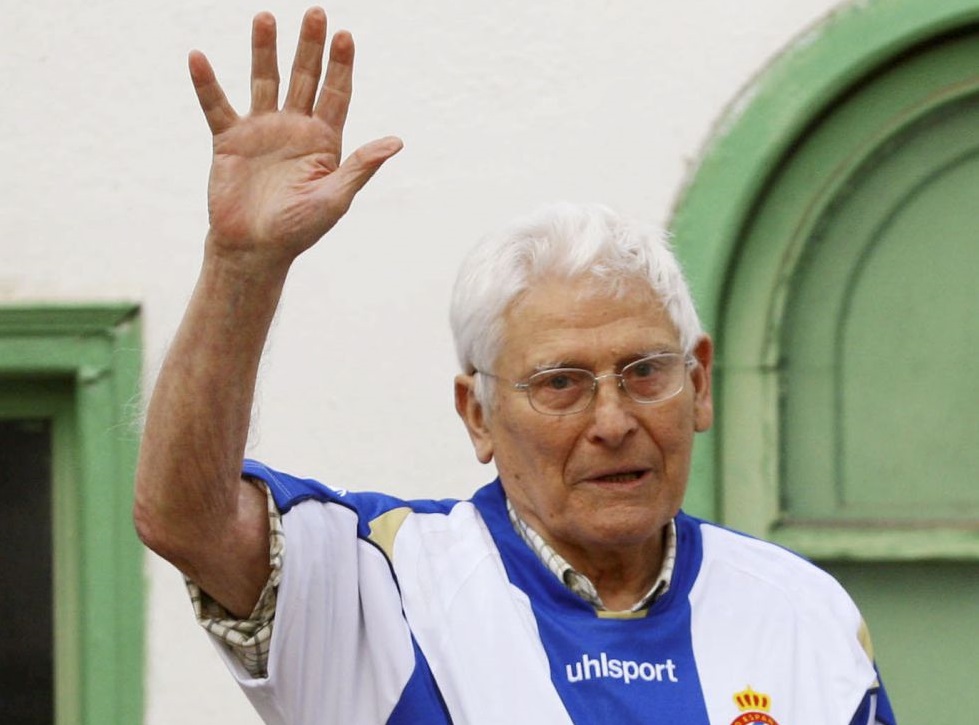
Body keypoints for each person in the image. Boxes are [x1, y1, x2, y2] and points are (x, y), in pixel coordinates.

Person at [134, 7, 897, 724]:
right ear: (478, 414)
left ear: (697, 383)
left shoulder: (802, 611)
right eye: (560, 383)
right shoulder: (382, 584)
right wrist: (241, 266)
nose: (612, 421)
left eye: (643, 371)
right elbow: (184, 518)